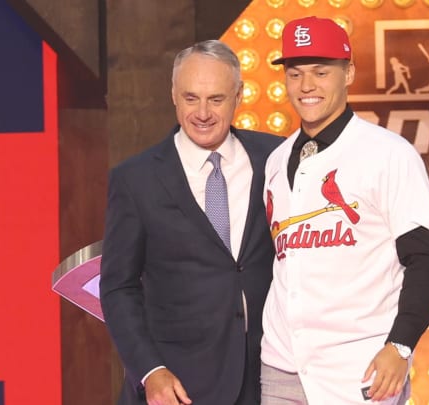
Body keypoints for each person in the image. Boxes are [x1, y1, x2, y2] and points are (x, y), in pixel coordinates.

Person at [261, 16, 429, 405]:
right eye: (295, 74)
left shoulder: (388, 153)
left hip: (361, 369)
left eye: (320, 71)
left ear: (348, 73)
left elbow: (425, 261)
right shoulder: (276, 160)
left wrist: (401, 345)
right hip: (282, 365)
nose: (306, 85)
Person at [99, 40, 282, 405]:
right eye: (190, 98)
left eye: (216, 99)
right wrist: (150, 370)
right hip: (178, 384)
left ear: (239, 96)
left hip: (269, 378)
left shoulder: (276, 158)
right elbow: (119, 287)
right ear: (173, 95)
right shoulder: (136, 180)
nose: (202, 113)